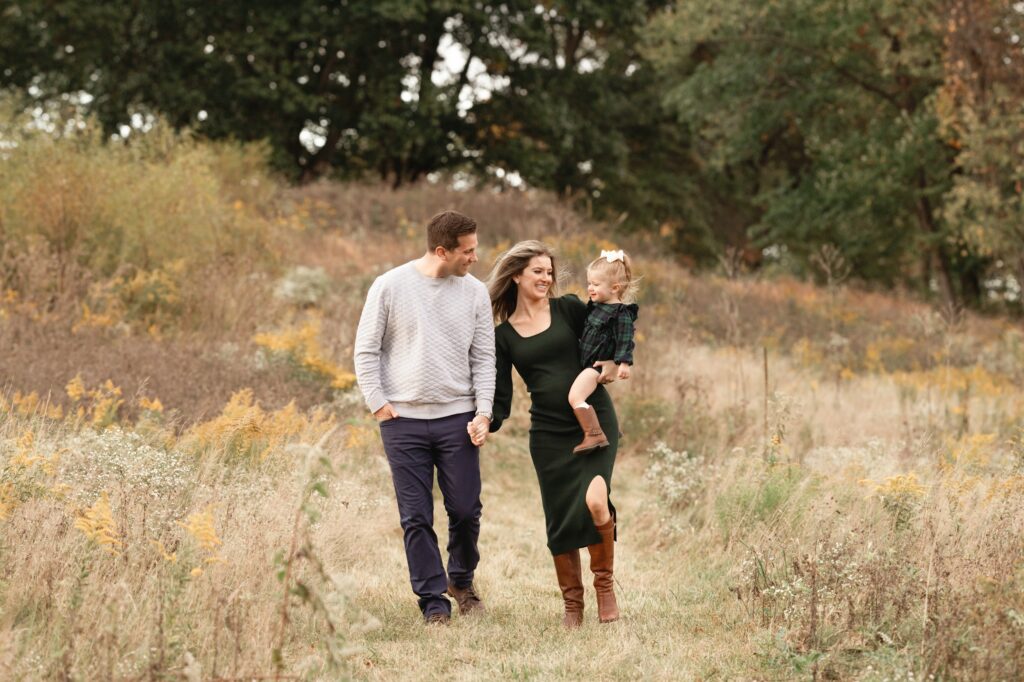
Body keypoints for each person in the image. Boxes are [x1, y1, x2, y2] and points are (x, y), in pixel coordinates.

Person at [353, 210, 496, 626]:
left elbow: (484, 357)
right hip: (403, 422)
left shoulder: (474, 293)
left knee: (467, 510)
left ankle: (462, 581)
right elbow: (366, 349)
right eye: (467, 251)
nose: (475, 257)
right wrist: (379, 403)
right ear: (441, 251)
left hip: (458, 418)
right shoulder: (390, 286)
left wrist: (483, 412)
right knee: (416, 516)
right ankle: (433, 600)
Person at [486, 240, 622, 627]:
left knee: (597, 501)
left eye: (549, 272)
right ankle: (573, 606)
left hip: (592, 421)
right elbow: (501, 397)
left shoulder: (570, 309)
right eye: (538, 272)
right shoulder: (504, 336)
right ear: (516, 276)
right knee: (561, 518)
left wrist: (610, 364)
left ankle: (605, 586)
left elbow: (608, 336)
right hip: (547, 434)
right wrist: (484, 423)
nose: (547, 278)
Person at [568, 249, 639, 454]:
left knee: (575, 397)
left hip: (596, 366)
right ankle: (610, 427)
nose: (590, 288)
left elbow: (626, 339)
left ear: (615, 288)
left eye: (596, 284)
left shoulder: (620, 314)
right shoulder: (596, 307)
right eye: (589, 283)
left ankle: (594, 435)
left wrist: (623, 364)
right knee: (592, 397)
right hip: (587, 363)